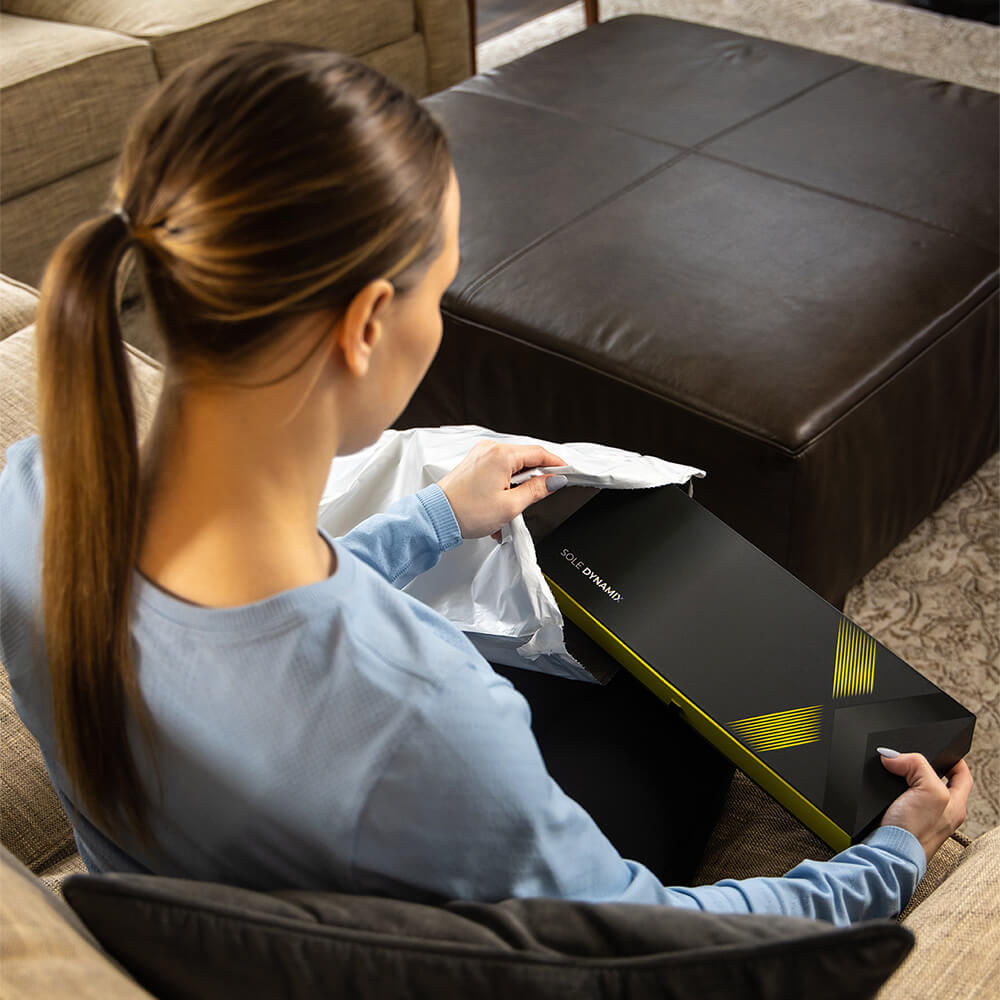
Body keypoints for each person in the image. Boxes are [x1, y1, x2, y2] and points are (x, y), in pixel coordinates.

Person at [0, 43, 971, 925]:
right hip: (412, 920)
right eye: (441, 290)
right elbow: (651, 938)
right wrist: (890, 857)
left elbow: (243, 648)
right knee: (676, 695)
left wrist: (431, 517)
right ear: (369, 322)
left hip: (190, 898)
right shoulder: (429, 709)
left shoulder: (32, 497)